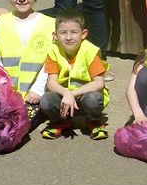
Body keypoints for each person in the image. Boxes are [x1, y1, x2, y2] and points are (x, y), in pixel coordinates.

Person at [0, 0, 55, 121]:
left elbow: (52, 62)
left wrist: (38, 90)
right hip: (7, 92)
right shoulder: (2, 22)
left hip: (35, 94)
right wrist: (1, 88)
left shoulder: (49, 24)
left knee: (17, 126)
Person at [39, 9, 110, 140]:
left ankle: (94, 122)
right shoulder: (53, 50)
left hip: (84, 97)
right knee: (46, 100)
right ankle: (61, 121)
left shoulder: (90, 50)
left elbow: (99, 83)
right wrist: (66, 93)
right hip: (63, 98)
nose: (68, 37)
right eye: (63, 32)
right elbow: (51, 82)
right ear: (55, 35)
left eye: (74, 32)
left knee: (93, 99)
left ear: (83, 34)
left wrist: (72, 94)